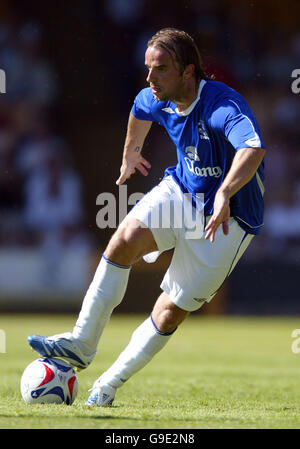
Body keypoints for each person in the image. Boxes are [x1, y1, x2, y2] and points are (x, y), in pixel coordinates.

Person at [28, 28, 266, 406]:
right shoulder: (156, 96)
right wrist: (131, 151)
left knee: (171, 312)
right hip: (182, 192)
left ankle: (107, 384)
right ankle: (82, 343)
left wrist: (224, 193)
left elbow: (252, 149)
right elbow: (139, 108)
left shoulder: (222, 105)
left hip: (229, 218)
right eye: (148, 68)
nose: (150, 78)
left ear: (189, 72)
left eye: (161, 69)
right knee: (123, 240)